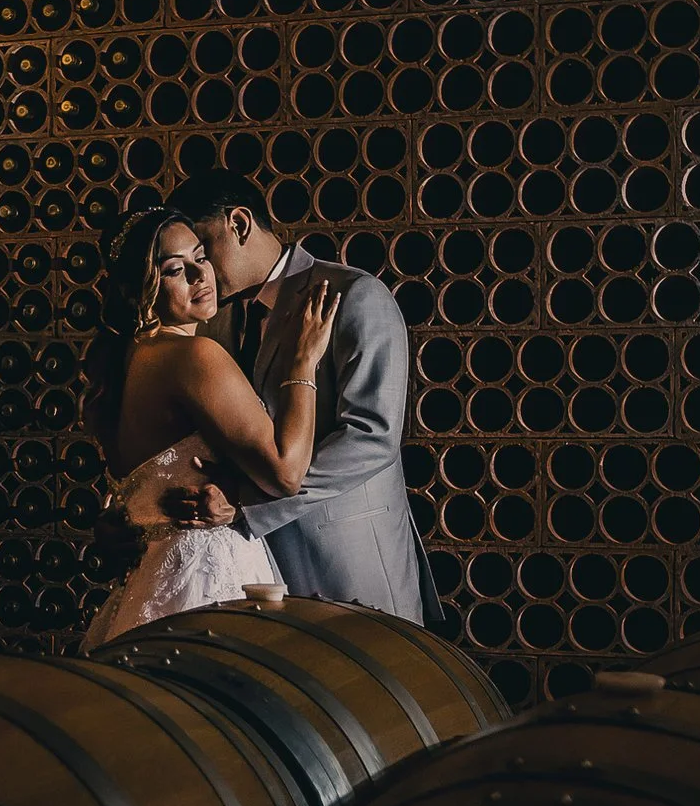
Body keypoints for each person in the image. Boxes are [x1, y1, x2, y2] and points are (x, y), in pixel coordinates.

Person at [151, 168, 443, 627]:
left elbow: (371, 436)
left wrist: (246, 501)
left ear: (240, 224)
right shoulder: (211, 320)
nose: (199, 271)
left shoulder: (355, 295)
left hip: (348, 566)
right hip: (254, 572)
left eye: (204, 252)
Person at [81, 206, 338, 648]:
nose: (203, 274)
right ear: (140, 290)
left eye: (202, 256)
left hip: (153, 581)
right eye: (177, 270)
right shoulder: (193, 356)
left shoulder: (123, 364)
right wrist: (303, 363)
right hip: (209, 577)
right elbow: (286, 472)